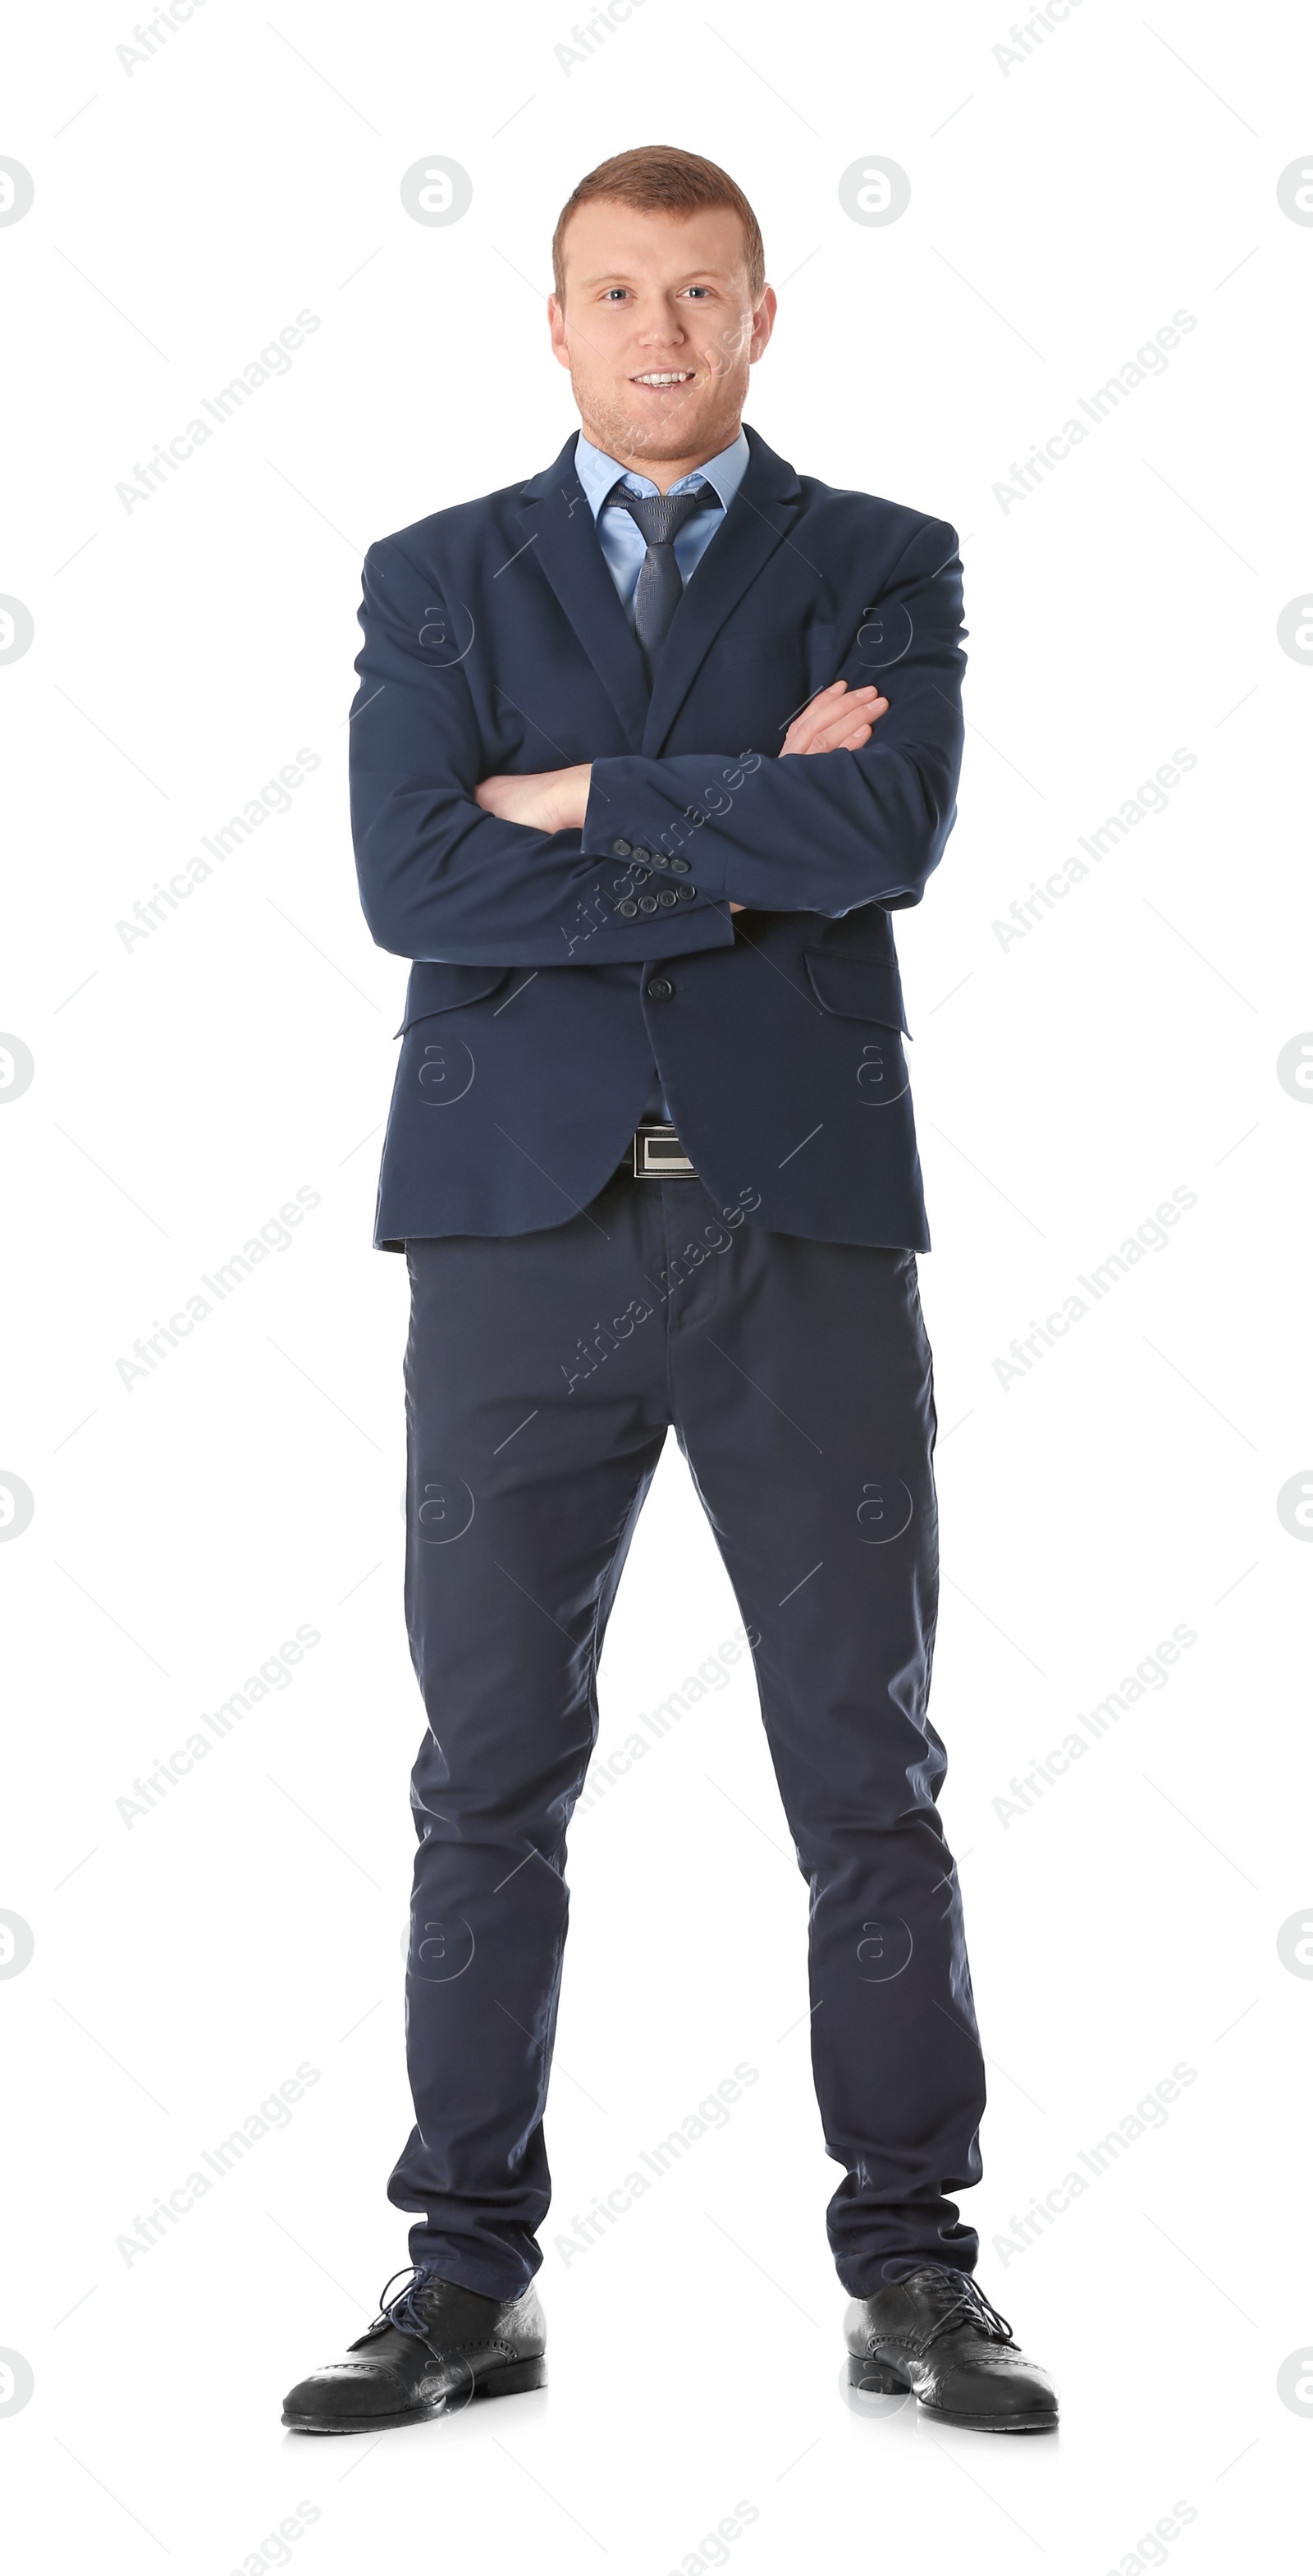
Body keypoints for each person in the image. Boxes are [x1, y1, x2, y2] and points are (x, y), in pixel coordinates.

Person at [282, 144, 1057, 2439]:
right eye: (613, 293)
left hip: (797, 1226)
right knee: (486, 1767)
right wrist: (726, 814)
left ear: (761, 314)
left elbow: (886, 836)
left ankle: (916, 2260)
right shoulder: (435, 576)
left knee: (865, 1765)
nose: (657, 333)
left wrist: (574, 797)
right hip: (518, 1237)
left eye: (698, 294)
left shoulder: (879, 564)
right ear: (552, 319)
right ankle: (461, 2270)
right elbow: (409, 875)